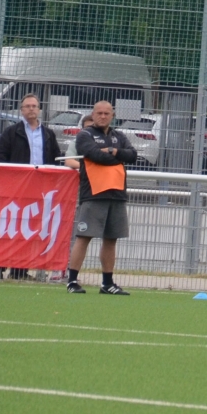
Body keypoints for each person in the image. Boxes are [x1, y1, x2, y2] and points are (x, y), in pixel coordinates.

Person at [67, 100, 138, 295]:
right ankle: (72, 281)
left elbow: (133, 155)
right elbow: (94, 155)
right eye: (99, 113)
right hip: (94, 194)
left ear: (112, 116)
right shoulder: (85, 135)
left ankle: (107, 283)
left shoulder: (119, 136)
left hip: (117, 193)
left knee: (111, 238)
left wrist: (114, 152)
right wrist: (117, 157)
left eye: (107, 113)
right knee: (84, 236)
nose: (103, 116)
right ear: (93, 114)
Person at [0, 92, 63, 280]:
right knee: (7, 227)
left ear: (39, 109)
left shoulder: (48, 134)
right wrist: (10, 179)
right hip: (15, 189)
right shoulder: (11, 132)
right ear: (21, 110)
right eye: (27, 106)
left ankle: (19, 271)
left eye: (34, 106)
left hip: (38, 190)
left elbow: (56, 159)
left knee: (29, 229)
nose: (31, 109)